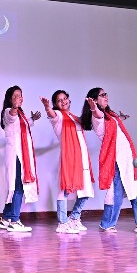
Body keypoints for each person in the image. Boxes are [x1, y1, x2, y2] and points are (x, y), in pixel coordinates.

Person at [80, 87, 137, 234]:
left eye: (106, 94)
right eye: (102, 95)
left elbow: (113, 122)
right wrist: (93, 108)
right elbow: (97, 115)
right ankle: (107, 224)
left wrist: (121, 118)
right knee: (115, 193)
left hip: (129, 158)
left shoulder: (110, 115)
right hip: (116, 160)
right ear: (94, 100)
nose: (106, 97)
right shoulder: (97, 117)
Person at [41, 90, 94, 234]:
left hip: (82, 158)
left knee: (86, 190)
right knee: (64, 190)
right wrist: (47, 107)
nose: (63, 101)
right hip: (69, 158)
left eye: (65, 98)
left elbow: (90, 122)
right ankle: (62, 223)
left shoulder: (75, 118)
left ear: (69, 100)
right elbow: (51, 114)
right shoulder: (58, 116)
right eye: (59, 100)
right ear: (56, 104)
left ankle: (74, 218)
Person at [0, 86, 41, 232]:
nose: (19, 98)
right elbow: (11, 116)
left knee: (14, 188)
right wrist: (14, 107)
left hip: (21, 155)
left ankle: (6, 218)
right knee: (19, 187)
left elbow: (22, 124)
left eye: (20, 95)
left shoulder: (21, 115)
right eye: (16, 96)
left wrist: (32, 119)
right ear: (10, 99)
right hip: (16, 155)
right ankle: (15, 221)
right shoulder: (8, 112)